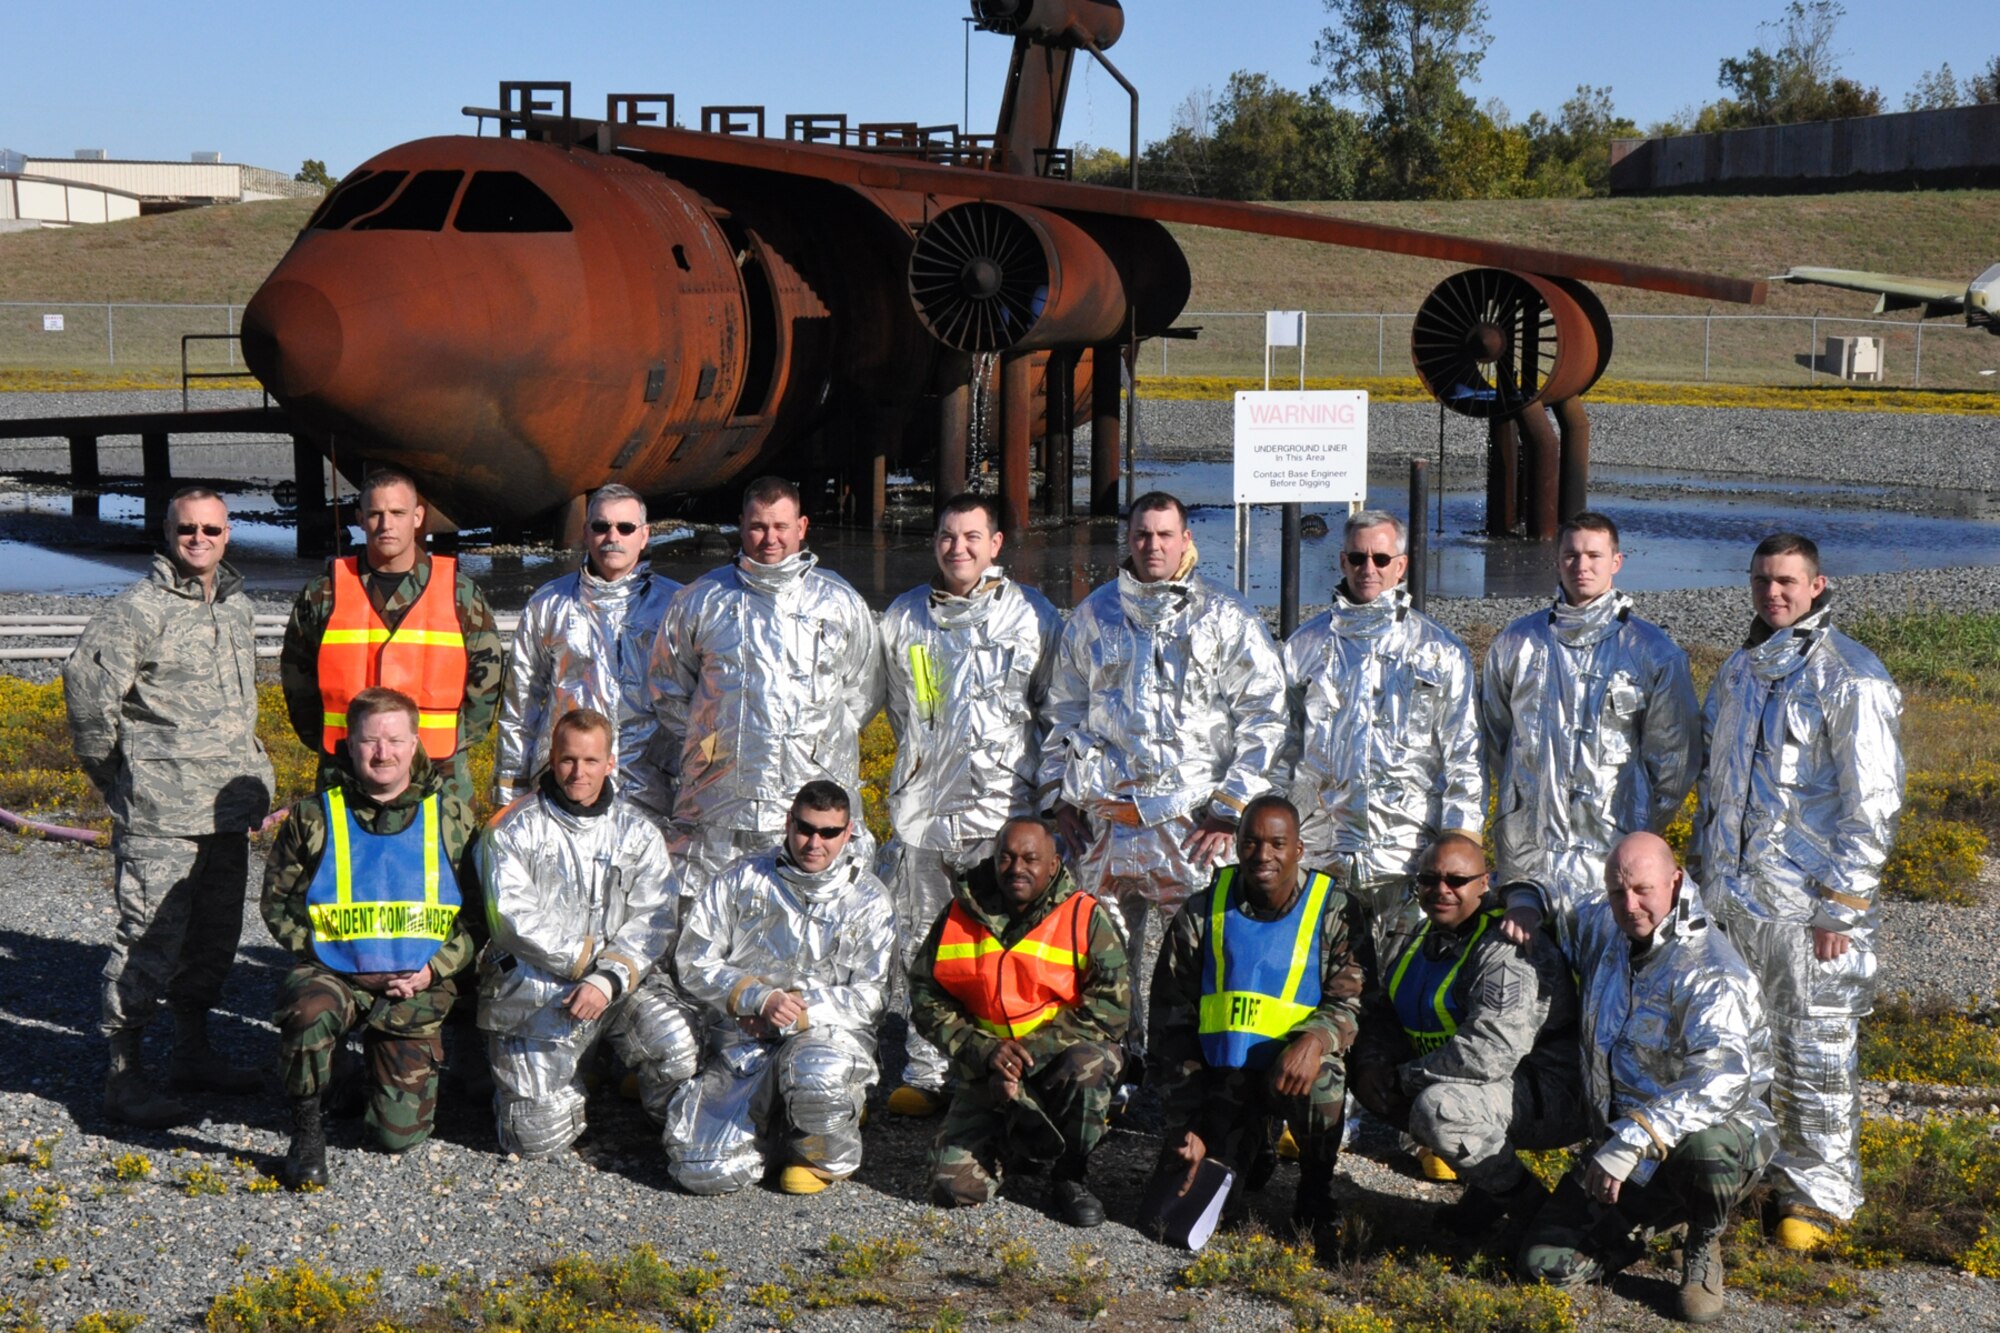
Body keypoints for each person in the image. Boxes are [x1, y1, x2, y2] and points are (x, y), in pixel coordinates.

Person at [1694, 532, 1903, 1251]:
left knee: (1814, 1046)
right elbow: (1714, 789)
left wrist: (1842, 900)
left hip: (1810, 908)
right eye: (1761, 581)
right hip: (1732, 902)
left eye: (1786, 581)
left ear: (1818, 585)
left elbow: (1871, 799)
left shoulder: (1853, 677)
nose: (1772, 593)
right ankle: (1747, 1170)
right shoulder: (1739, 673)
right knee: (1741, 1042)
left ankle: (1815, 1192)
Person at [1043, 491, 1288, 1054]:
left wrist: (1230, 807)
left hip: (1193, 823)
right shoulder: (1094, 614)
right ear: (1128, 541)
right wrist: (1060, 797)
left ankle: (1198, 1072)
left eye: (1164, 534)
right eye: (1141, 535)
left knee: (1201, 955)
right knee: (1101, 958)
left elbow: (1266, 715)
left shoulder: (1226, 616)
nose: (1152, 545)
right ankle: (1111, 1068)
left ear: (1186, 540)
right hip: (1107, 821)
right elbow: (1062, 710)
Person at [63, 486, 275, 1127]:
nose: (200, 540)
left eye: (212, 529)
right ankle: (124, 1077)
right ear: (167, 531)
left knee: (214, 942)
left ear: (228, 534)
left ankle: (193, 1052)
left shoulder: (236, 608)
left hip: (226, 813)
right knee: (148, 942)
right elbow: (86, 698)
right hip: (161, 817)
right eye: (188, 529)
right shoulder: (134, 611)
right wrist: (124, 780)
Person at [1518, 833, 1774, 1325]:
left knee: (1707, 1150)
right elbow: (1553, 889)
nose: (1630, 905)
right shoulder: (1607, 924)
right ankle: (1652, 1224)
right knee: (1542, 1266)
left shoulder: (1711, 971)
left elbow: (1722, 1077)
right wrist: (1525, 905)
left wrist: (1633, 1137)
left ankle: (1701, 1236)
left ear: (1675, 883)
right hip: (1620, 1148)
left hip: (1705, 1136)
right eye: (1618, 892)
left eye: (1643, 890)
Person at [878, 493, 1061, 1117]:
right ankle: (927, 1068)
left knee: (1004, 946)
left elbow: (1054, 711)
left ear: (996, 545)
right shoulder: (904, 618)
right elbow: (895, 705)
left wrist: (1048, 805)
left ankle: (1007, 1062)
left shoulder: (1032, 616)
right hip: (924, 814)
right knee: (925, 943)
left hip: (1003, 813)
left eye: (971, 537)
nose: (958, 549)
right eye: (947, 538)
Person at [261, 687, 478, 1189]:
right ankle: (308, 1129)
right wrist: (332, 958)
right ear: (349, 744)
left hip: (417, 986)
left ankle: (361, 1073)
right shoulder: (314, 816)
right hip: (337, 975)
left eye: (395, 740)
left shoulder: (452, 817)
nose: (383, 753)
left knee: (395, 1137)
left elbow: (478, 919)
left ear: (416, 742)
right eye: (370, 741)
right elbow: (278, 905)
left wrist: (432, 970)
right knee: (308, 1010)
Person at [1146, 795, 1365, 1254]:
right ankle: (1251, 1143)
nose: (1262, 855)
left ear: (1299, 850)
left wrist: (1315, 1038)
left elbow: (1354, 1000)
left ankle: (1314, 1188)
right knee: (1187, 1210)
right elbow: (1171, 1024)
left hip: (1293, 1070)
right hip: (1226, 1080)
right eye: (1251, 843)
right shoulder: (1202, 913)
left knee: (1323, 1079)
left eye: (1277, 844)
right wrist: (1188, 1125)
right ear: (1238, 845)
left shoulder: (1335, 910)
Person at [477, 709, 698, 1158]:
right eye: (568, 760)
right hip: (534, 985)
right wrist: (581, 962)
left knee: (675, 1042)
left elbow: (655, 917)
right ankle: (564, 1089)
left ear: (610, 762)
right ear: (552, 759)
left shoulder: (637, 831)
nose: (579, 772)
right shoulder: (511, 827)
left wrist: (607, 977)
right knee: (535, 1141)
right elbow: (510, 917)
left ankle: (668, 1125)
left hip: (616, 983)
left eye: (591, 761)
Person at [647, 477, 884, 887]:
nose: (769, 538)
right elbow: (668, 687)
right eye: (758, 526)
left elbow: (864, 689)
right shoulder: (700, 599)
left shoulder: (839, 601)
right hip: (719, 796)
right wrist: (714, 740)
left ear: (802, 527)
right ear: (741, 526)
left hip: (811, 789)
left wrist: (815, 742)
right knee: (712, 906)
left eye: (780, 527)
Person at [1482, 512, 1700, 951]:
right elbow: (1494, 737)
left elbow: (1674, 762)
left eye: (1594, 555)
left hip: (1615, 855)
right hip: (1533, 856)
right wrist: (1526, 799)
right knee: (1529, 981)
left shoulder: (1654, 652)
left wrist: (1639, 830)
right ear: (1557, 561)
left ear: (1616, 561)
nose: (1582, 565)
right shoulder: (1517, 643)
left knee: (1613, 977)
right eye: (1571, 554)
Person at [665, 781, 896, 1195]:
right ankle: (774, 1132)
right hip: (743, 1040)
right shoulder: (741, 878)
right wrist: (755, 997)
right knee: (703, 1171)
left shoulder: (869, 900)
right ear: (788, 823)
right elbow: (693, 959)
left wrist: (800, 1012)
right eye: (805, 828)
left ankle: (821, 1154)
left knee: (816, 1074)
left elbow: (873, 995)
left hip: (824, 1040)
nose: (814, 842)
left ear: (848, 834)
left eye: (829, 833)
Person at [1349, 833, 1583, 1233]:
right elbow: (1387, 1011)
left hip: (1551, 1089)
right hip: (1485, 1083)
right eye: (1428, 880)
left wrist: (1402, 1078)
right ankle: (1487, 1192)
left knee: (1440, 1110)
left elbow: (1487, 1054)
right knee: (1357, 1065)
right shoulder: (1425, 935)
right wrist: (1370, 1062)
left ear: (1485, 882)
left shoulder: (1506, 948)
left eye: (1457, 881)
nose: (1441, 890)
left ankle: (1536, 1213)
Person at [908, 817, 1129, 1226]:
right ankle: (1016, 1143)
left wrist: (1029, 1052)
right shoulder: (959, 913)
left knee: (1091, 1067)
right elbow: (924, 995)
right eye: (1006, 857)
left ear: (1053, 864)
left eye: (1030, 859)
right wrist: (985, 1051)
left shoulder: (1083, 916)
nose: (1016, 868)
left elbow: (1112, 1009)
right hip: (986, 1072)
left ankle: (1070, 1175)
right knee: (952, 1189)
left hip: (1058, 1066)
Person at [1283, 509, 1480, 955]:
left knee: (1405, 987)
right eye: (1357, 558)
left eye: (1380, 558)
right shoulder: (1304, 647)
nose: (1368, 569)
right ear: (1341, 562)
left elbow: (1464, 755)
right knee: (1325, 981)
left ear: (1402, 565)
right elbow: (1281, 750)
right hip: (1322, 854)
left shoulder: (1440, 651)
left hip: (1409, 855)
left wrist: (1458, 847)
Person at [279, 468, 504, 809]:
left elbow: (486, 686)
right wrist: (338, 748)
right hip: (345, 771)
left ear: (417, 517)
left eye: (397, 513)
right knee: (341, 860)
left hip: (438, 773)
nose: (386, 525)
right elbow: (299, 683)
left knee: (443, 862)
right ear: (360, 518)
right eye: (375, 514)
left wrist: (453, 743)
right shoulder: (324, 594)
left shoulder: (461, 595)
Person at [494, 483, 681, 816]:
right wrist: (509, 792)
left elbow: (700, 704)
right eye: (601, 526)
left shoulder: (677, 605)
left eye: (625, 528)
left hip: (652, 787)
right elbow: (520, 706)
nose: (612, 536)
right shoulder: (548, 603)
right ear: (585, 532)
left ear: (644, 535)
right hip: (566, 784)